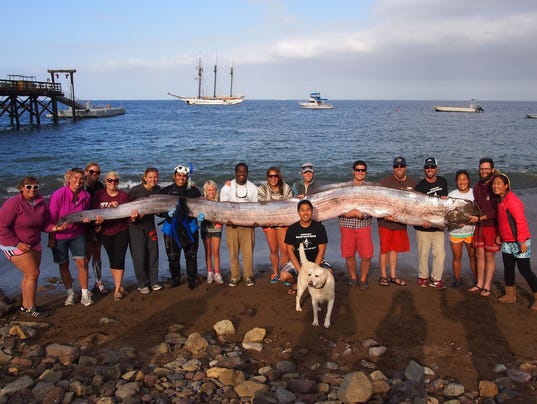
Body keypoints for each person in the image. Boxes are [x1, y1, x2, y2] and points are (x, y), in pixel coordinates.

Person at [0, 177, 64, 317]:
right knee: (33, 273)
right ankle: (30, 308)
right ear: (21, 188)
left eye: (35, 187)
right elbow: (2, 228)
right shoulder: (13, 203)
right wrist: (18, 244)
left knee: (29, 275)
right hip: (13, 244)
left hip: (34, 243)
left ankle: (25, 306)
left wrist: (55, 228)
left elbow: (43, 225)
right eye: (28, 187)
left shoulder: (40, 203)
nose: (32, 190)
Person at [49, 167, 94, 307]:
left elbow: (84, 214)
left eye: (81, 179)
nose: (78, 181)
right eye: (75, 178)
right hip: (60, 235)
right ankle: (70, 293)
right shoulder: (58, 195)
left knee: (82, 263)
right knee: (64, 265)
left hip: (77, 233)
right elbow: (52, 219)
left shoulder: (86, 196)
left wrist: (86, 219)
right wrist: (52, 237)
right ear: (69, 179)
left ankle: (85, 295)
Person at [492, 172, 537, 310]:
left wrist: (522, 241)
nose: (495, 186)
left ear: (506, 185)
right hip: (507, 242)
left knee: (525, 270)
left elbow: (520, 222)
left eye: (499, 183)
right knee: (508, 268)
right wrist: (500, 235)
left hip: (519, 241)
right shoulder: (500, 200)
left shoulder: (512, 200)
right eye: (494, 183)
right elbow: (503, 221)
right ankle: (510, 295)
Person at [160, 164, 202, 289]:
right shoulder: (165, 191)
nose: (181, 178)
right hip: (171, 228)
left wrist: (201, 215)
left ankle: (192, 280)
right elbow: (157, 210)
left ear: (187, 178)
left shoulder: (193, 191)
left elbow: (201, 206)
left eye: (184, 176)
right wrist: (165, 213)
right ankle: (176, 279)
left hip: (190, 227)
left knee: (191, 255)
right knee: (173, 256)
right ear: (174, 176)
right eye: (179, 175)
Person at [377, 156, 416, 286]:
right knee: (384, 249)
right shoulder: (385, 181)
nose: (399, 169)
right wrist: (384, 216)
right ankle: (383, 276)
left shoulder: (412, 183)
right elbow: (377, 201)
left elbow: (416, 205)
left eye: (401, 166)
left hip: (400, 223)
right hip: (385, 222)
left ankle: (393, 275)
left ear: (406, 167)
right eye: (396, 167)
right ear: (393, 168)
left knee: (395, 250)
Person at [91, 171, 130, 301]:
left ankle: (117, 289)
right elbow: (94, 211)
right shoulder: (99, 194)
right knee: (112, 259)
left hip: (121, 230)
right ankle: (119, 285)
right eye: (110, 180)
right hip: (106, 232)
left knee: (119, 259)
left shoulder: (124, 196)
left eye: (115, 180)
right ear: (105, 181)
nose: (113, 183)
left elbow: (128, 217)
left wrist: (132, 216)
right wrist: (96, 221)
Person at [220, 162, 259, 287]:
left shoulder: (253, 188)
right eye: (239, 171)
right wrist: (227, 219)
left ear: (247, 173)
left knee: (248, 253)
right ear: (235, 172)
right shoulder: (227, 187)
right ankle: (235, 276)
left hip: (248, 225)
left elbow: (255, 207)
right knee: (233, 252)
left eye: (244, 171)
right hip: (231, 225)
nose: (242, 174)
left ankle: (248, 276)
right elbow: (223, 206)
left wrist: (254, 221)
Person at [282, 199, 332, 294]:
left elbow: (322, 250)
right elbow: (290, 251)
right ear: (298, 212)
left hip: (316, 261)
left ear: (312, 211)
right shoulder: (292, 229)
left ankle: (312, 285)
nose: (305, 213)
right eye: (302, 210)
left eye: (308, 210)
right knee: (284, 276)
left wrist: (315, 269)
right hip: (299, 262)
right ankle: (298, 283)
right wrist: (301, 271)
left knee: (328, 273)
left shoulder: (320, 228)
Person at [413, 157, 448, 290]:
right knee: (423, 253)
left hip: (438, 226)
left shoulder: (443, 181)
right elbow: (416, 208)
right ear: (424, 169)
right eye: (427, 167)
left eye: (432, 167)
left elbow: (443, 205)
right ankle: (422, 276)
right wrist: (422, 222)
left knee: (440, 253)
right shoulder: (420, 186)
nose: (430, 169)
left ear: (436, 168)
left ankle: (436, 279)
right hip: (423, 226)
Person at [338, 160, 373, 291]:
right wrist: (347, 213)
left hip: (363, 225)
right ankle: (353, 277)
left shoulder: (371, 188)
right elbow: (337, 204)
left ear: (366, 172)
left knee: (367, 255)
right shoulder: (344, 187)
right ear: (353, 171)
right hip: (346, 224)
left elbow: (374, 205)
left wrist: (361, 215)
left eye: (363, 170)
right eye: (358, 170)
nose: (360, 172)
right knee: (349, 254)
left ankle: (363, 279)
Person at [468, 157, 499, 297]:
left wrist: (479, 218)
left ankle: (487, 286)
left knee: (489, 257)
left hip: (491, 226)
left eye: (487, 168)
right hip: (479, 226)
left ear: (492, 169)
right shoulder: (477, 187)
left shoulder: (496, 185)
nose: (484, 171)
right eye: (482, 169)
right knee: (479, 255)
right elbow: (476, 207)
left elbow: (494, 211)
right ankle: (479, 283)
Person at [128, 167, 162, 294]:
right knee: (140, 256)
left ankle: (153, 281)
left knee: (153, 254)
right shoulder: (135, 191)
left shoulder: (157, 190)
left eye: (155, 177)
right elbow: (126, 209)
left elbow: (160, 209)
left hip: (150, 226)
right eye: (151, 177)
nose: (153, 179)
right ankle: (142, 283)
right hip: (136, 227)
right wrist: (134, 217)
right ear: (145, 177)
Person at [257, 166, 293, 283]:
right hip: (268, 223)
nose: (273, 178)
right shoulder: (262, 188)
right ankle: (276, 273)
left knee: (285, 250)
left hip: (282, 222)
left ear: (279, 176)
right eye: (270, 176)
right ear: (267, 177)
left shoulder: (286, 187)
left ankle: (284, 272)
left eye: (275, 176)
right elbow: (260, 206)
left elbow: (290, 205)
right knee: (273, 250)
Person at [448, 170, 476, 287]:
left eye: (464, 179)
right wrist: (454, 222)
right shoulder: (451, 195)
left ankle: (477, 279)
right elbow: (448, 214)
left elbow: (479, 211)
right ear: (456, 182)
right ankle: (457, 279)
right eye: (459, 180)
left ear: (468, 181)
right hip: (455, 232)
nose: (462, 182)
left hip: (471, 231)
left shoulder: (475, 193)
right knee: (456, 257)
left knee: (473, 257)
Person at [84, 162, 108, 295]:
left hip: (97, 221)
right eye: (92, 172)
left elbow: (103, 202)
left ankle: (98, 282)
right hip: (84, 223)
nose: (94, 174)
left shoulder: (99, 185)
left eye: (97, 172)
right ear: (86, 172)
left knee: (97, 253)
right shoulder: (82, 185)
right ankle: (85, 286)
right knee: (86, 255)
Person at [200, 180, 224, 285]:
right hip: (205, 229)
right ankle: (210, 272)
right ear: (205, 191)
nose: (211, 192)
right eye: (209, 190)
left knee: (216, 252)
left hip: (217, 228)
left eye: (213, 190)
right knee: (208, 252)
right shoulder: (202, 201)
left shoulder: (219, 201)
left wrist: (227, 184)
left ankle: (217, 273)